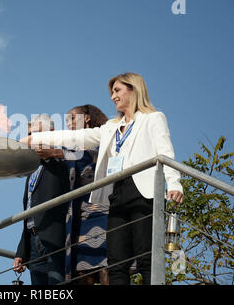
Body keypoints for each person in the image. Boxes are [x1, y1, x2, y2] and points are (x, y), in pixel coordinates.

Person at [22, 73, 184, 285]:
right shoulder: (111, 127)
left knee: (147, 257)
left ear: (133, 90)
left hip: (143, 194)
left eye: (117, 91)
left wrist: (174, 183)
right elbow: (76, 138)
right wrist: (35, 138)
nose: (113, 97)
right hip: (116, 197)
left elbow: (166, 154)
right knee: (116, 263)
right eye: (111, 93)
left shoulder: (153, 118)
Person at [34, 105, 110, 285]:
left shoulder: (101, 137)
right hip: (76, 217)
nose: (69, 124)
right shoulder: (70, 146)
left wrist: (56, 152)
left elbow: (94, 156)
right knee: (82, 271)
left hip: (101, 212)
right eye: (67, 120)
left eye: (73, 119)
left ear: (87, 119)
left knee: (106, 267)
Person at [13, 114, 70, 285]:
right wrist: (21, 252)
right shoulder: (31, 170)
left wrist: (54, 152)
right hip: (33, 244)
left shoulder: (63, 163)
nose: (32, 139)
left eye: (37, 134)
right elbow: (29, 214)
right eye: (30, 134)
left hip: (55, 241)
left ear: (51, 134)